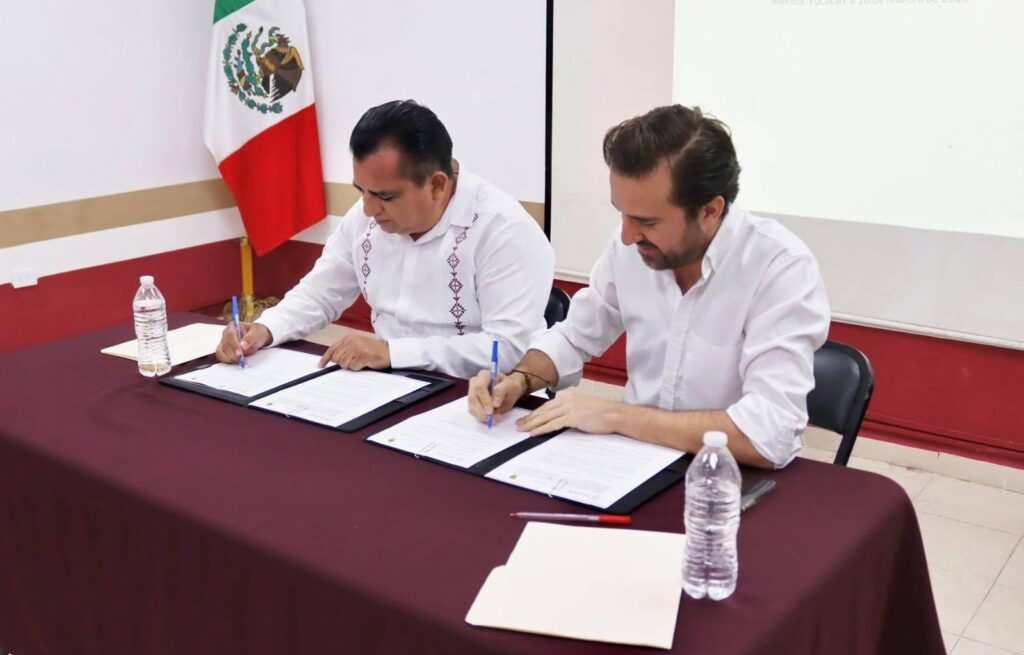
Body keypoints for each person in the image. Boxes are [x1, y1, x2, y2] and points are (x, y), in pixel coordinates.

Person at [468, 105, 830, 469]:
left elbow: (769, 433)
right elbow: (574, 337)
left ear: (710, 211)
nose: (627, 236)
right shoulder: (631, 246)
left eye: (647, 221)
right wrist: (518, 381)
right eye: (621, 213)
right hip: (635, 464)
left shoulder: (779, 268)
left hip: (731, 476)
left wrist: (616, 416)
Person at [216, 100, 555, 378]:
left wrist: (393, 352)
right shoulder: (366, 216)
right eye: (361, 191)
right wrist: (265, 329)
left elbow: (506, 349)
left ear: (437, 185)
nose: (368, 208)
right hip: (387, 385)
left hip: (483, 398)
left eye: (385, 196)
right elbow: (320, 294)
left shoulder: (503, 229)